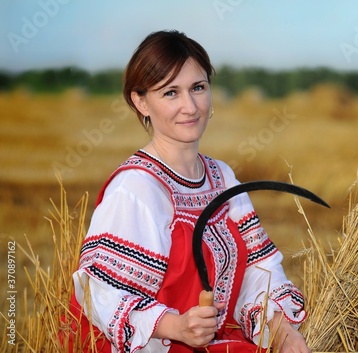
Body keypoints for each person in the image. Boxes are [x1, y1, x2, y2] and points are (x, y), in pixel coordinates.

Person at [67, 30, 311, 353]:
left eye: (198, 87)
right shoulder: (136, 190)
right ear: (141, 101)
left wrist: (282, 333)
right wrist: (176, 326)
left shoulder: (222, 178)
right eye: (171, 93)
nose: (190, 106)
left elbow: (257, 269)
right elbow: (101, 293)